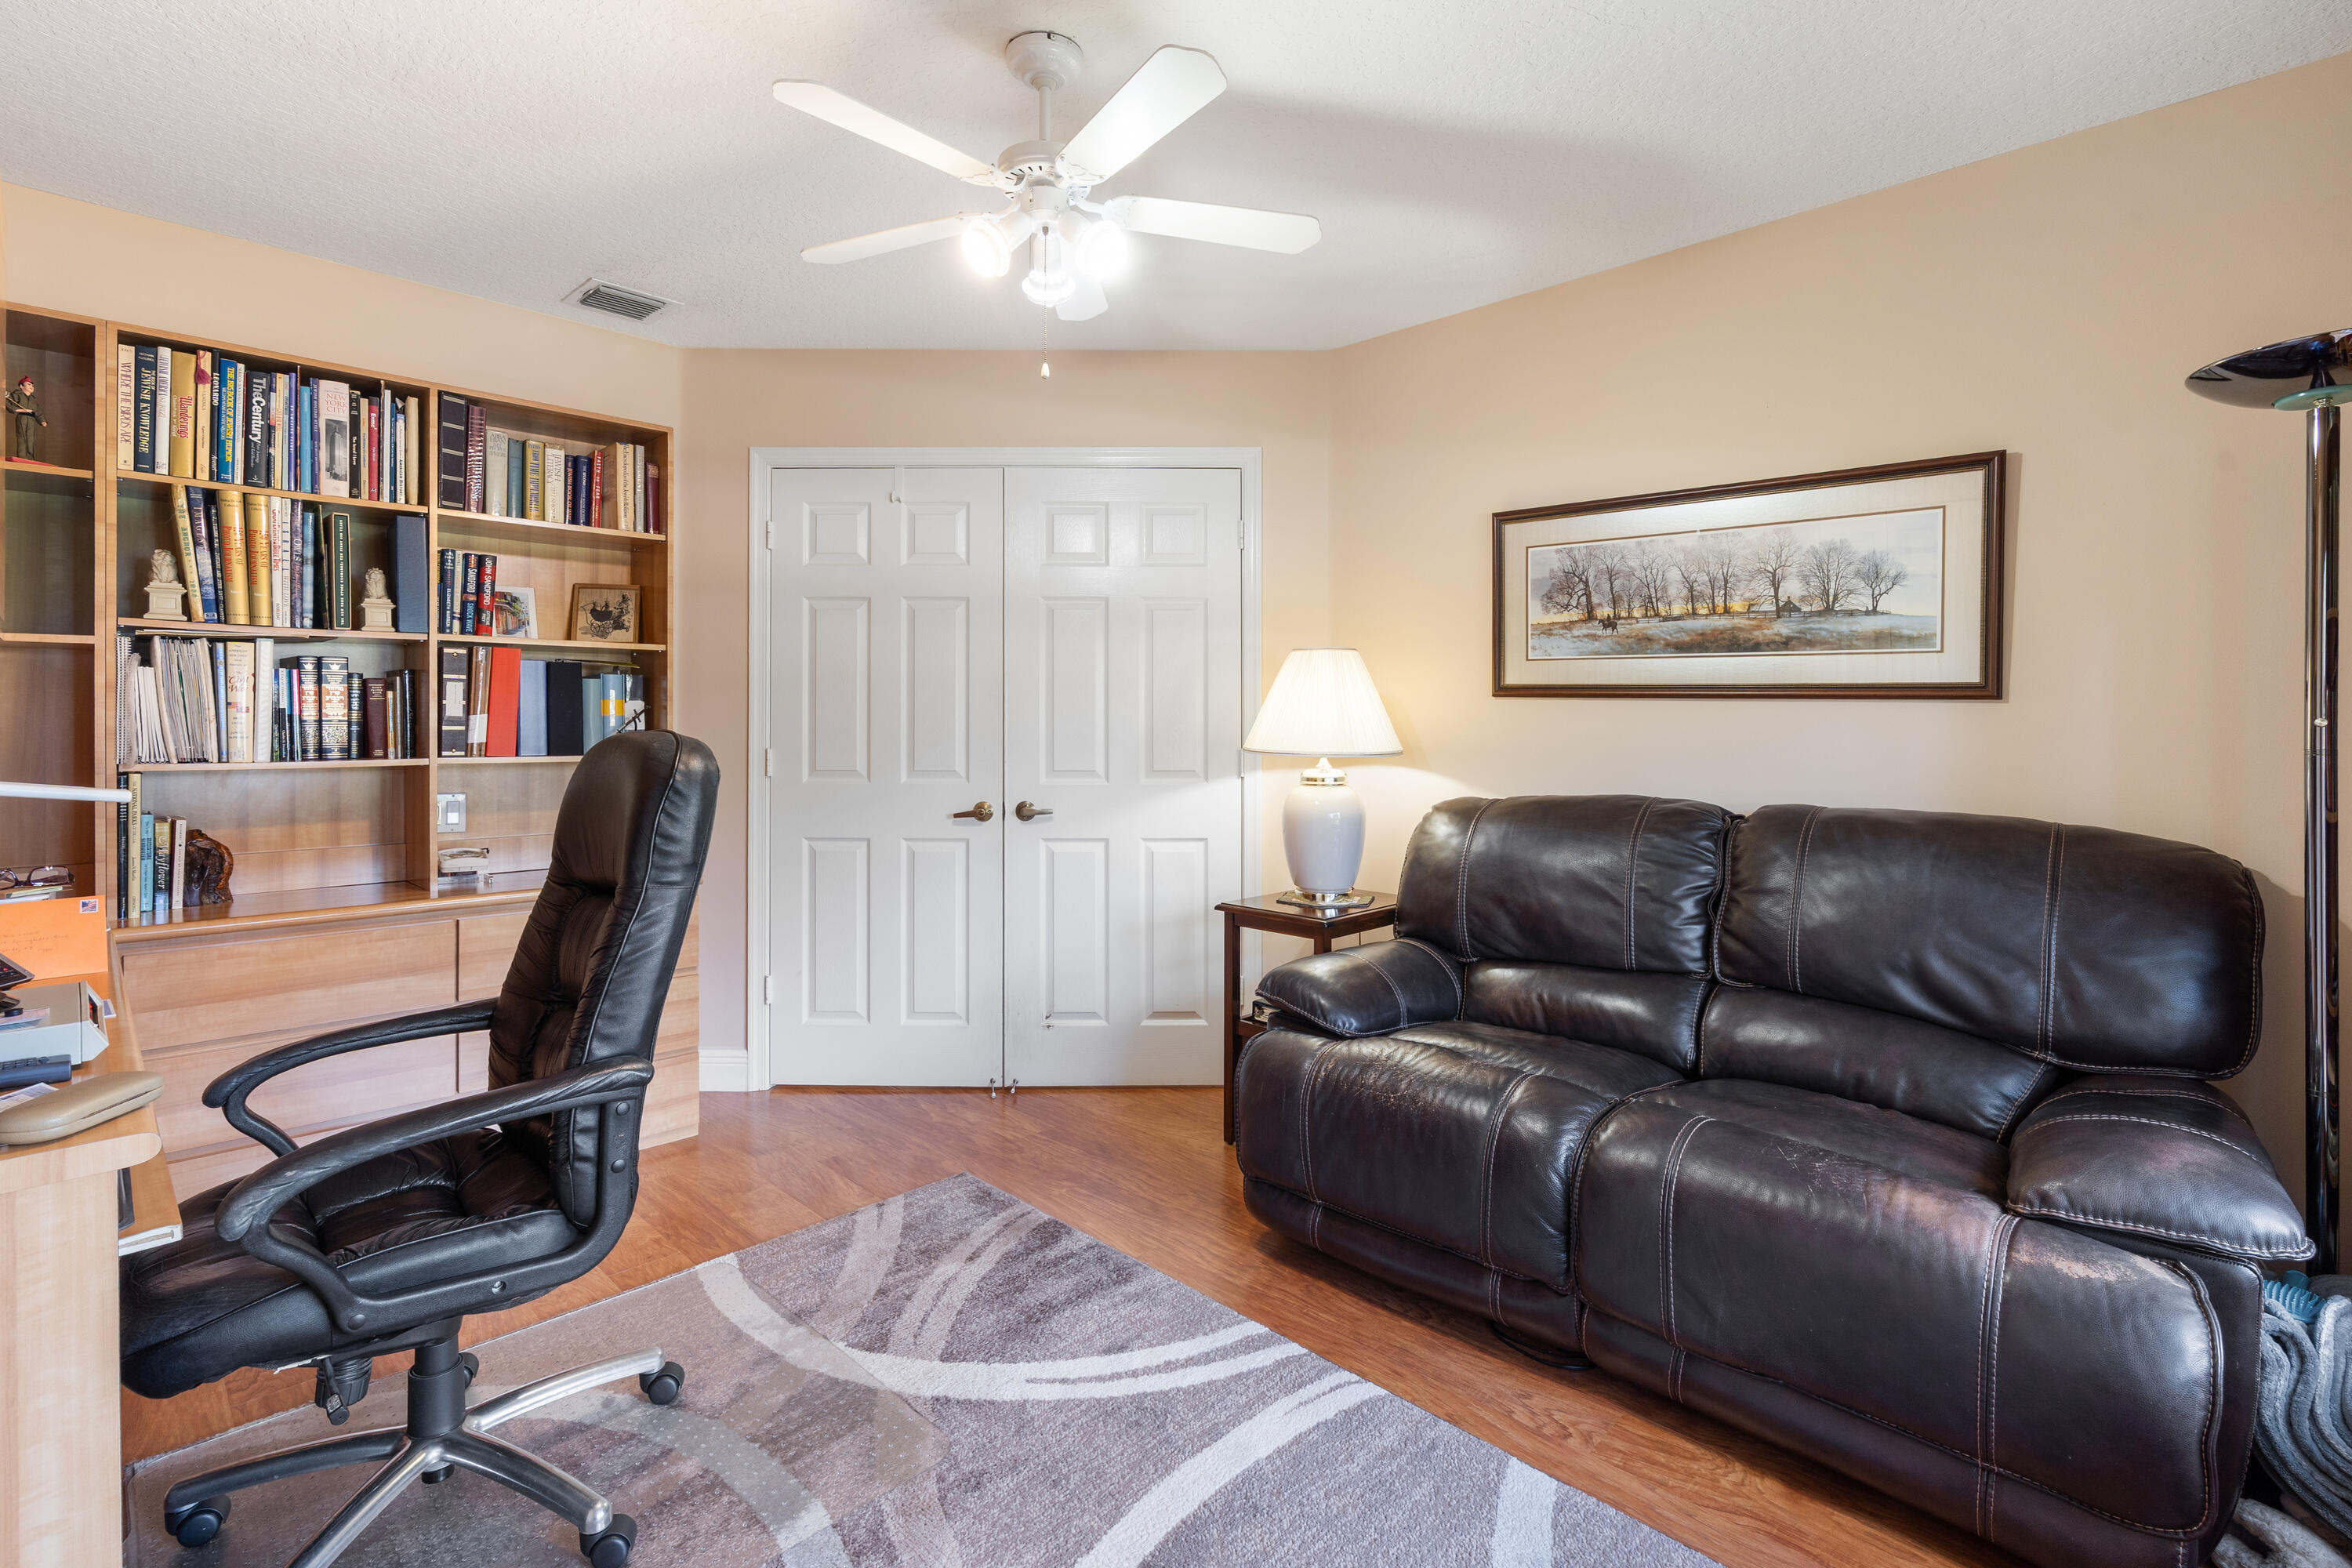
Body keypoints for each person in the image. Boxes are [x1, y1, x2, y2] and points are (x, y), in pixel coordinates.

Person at [7, 376, 45, 463]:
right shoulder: (17, 395)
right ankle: (22, 458)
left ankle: (30, 459)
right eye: (29, 384)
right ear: (21, 386)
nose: (32, 386)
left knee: (31, 439)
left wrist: (42, 420)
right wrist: (18, 409)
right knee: (22, 437)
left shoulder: (33, 400)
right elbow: (8, 402)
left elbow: (38, 411)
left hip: (31, 420)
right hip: (22, 418)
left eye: (33, 385)